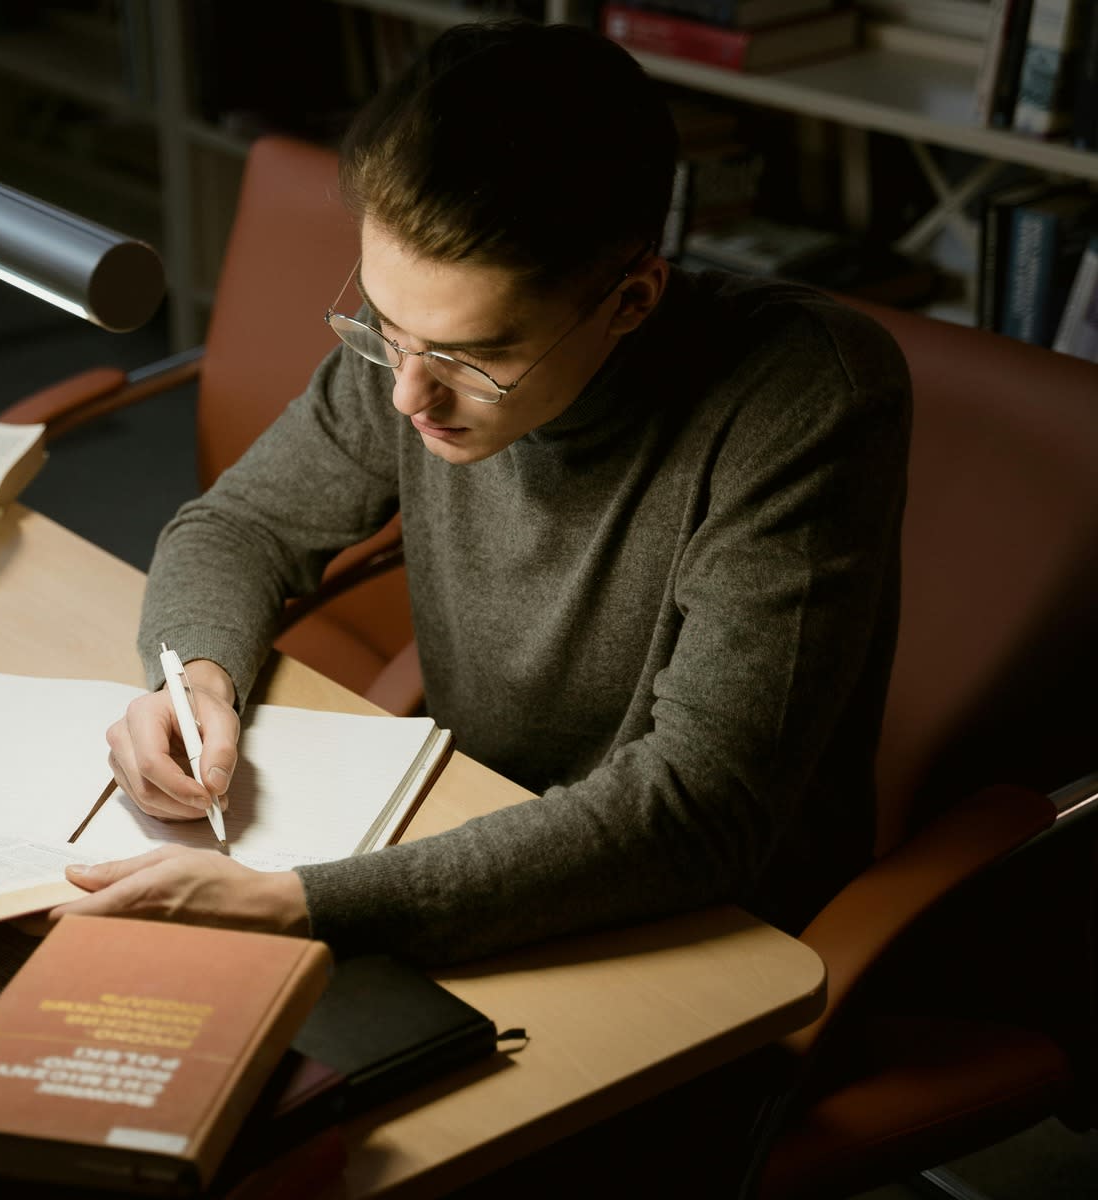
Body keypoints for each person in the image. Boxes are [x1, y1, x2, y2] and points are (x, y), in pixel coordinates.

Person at [49, 18, 909, 969]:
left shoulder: (803, 397)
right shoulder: (417, 348)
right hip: (460, 830)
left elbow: (702, 812)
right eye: (384, 325)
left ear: (633, 300)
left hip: (698, 930)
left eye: (474, 357)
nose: (407, 394)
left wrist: (298, 905)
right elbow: (239, 524)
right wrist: (196, 676)